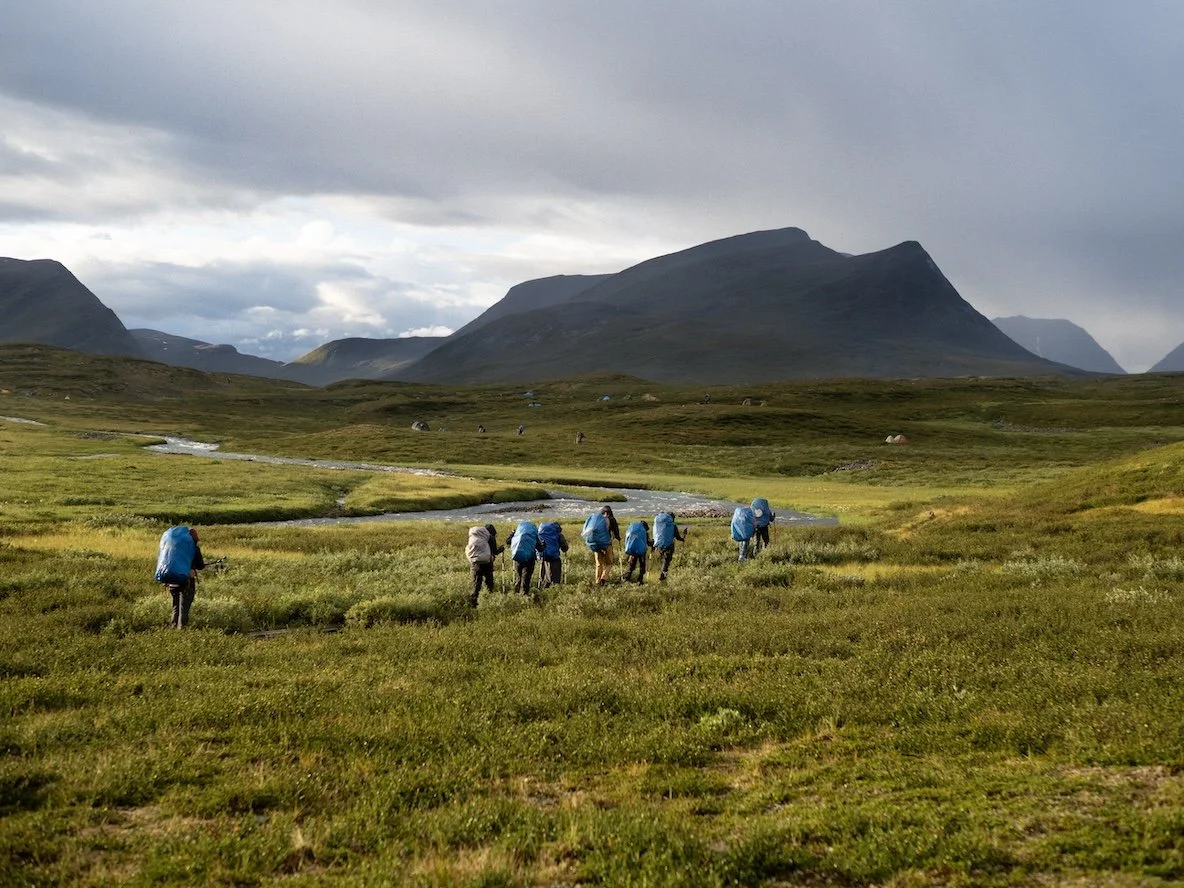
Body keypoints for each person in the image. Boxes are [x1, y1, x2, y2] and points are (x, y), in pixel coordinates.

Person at [155, 526, 205, 629]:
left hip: (171, 581)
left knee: (175, 607)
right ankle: (182, 630)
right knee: (184, 608)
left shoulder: (173, 547)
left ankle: (173, 628)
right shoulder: (193, 548)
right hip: (186, 581)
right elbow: (200, 565)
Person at [465, 524, 504, 607]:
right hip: (487, 563)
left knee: (476, 584)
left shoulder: (474, 535)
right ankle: (489, 600)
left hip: (475, 562)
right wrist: (501, 549)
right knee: (489, 582)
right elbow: (494, 551)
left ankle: (473, 604)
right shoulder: (490, 537)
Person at [509, 520, 544, 595]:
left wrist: (512, 534)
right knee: (526, 578)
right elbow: (540, 549)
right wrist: (544, 545)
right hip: (530, 560)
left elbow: (508, 541)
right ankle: (524, 594)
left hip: (518, 558)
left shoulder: (517, 534)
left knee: (519, 577)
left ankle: (516, 593)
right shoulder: (533, 536)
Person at [653, 511, 687, 582]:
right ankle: (662, 577)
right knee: (666, 561)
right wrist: (683, 538)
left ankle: (663, 575)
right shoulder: (672, 525)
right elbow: (677, 537)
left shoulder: (660, 524)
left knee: (663, 560)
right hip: (669, 546)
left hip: (659, 545)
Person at [538, 521, 569, 587]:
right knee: (555, 572)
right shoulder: (558, 535)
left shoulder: (541, 533)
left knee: (545, 570)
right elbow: (564, 547)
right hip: (554, 557)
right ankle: (555, 585)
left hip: (544, 556)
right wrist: (565, 549)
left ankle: (544, 584)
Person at [622, 519, 652, 584]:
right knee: (642, 565)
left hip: (632, 551)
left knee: (631, 566)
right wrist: (653, 543)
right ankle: (640, 580)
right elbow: (649, 543)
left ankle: (626, 578)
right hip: (641, 552)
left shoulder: (632, 531)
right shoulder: (644, 533)